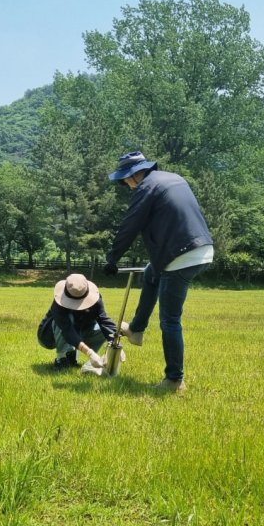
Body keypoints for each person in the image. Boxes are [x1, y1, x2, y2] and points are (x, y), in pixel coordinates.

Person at [103, 151, 213, 392]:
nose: (126, 185)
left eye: (125, 180)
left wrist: (112, 258)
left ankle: (174, 380)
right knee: (150, 273)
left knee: (170, 320)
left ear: (133, 176)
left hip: (181, 256)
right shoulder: (172, 178)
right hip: (202, 247)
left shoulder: (146, 188)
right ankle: (136, 329)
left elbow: (130, 225)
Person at [37, 273, 118, 370]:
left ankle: (73, 358)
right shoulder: (58, 304)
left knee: (101, 328)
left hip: (79, 331)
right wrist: (89, 353)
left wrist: (115, 342)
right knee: (67, 319)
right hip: (49, 337)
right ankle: (61, 359)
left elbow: (104, 321)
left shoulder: (96, 300)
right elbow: (67, 329)